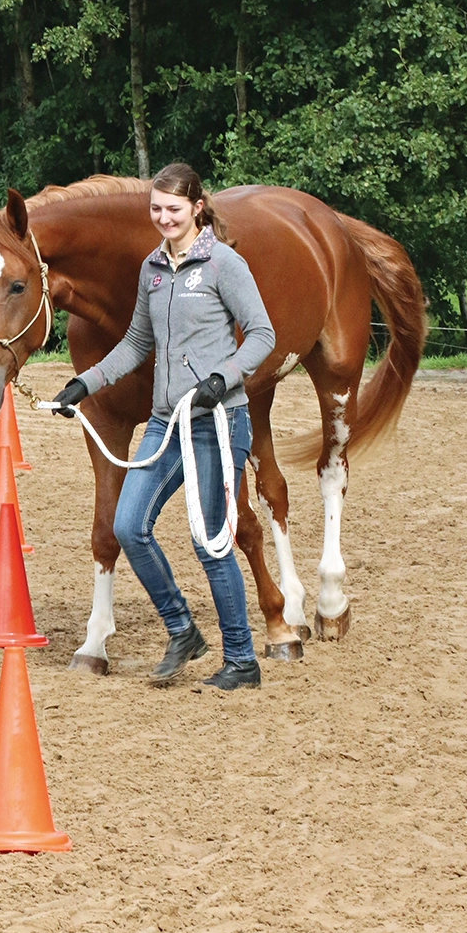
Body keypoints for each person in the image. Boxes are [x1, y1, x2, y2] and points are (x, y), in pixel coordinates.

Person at [52, 163, 275, 690]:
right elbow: (134, 343)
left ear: (197, 208)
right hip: (164, 423)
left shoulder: (224, 264)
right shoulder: (152, 269)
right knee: (129, 525)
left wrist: (223, 377)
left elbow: (263, 334)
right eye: (156, 209)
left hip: (217, 421)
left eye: (173, 209)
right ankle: (182, 629)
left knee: (209, 541)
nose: (163, 218)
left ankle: (241, 660)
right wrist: (84, 383)